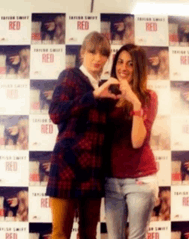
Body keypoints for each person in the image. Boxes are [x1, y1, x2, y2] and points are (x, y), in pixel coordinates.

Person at [46, 31, 119, 239]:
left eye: (103, 54)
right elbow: (56, 112)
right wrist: (92, 96)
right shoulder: (69, 75)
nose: (98, 58)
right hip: (66, 167)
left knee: (88, 234)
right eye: (92, 52)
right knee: (60, 234)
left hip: (94, 171)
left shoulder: (104, 87)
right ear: (82, 53)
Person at [104, 44, 158, 239]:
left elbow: (137, 141)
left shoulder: (147, 97)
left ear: (139, 68)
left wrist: (135, 102)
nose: (123, 68)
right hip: (111, 181)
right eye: (120, 62)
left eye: (130, 63)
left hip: (140, 180)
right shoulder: (108, 95)